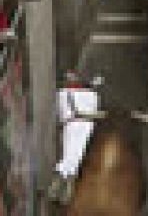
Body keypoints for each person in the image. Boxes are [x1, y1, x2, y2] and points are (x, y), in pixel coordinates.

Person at [47, 70, 101, 204]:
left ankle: (61, 185)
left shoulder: (64, 94)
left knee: (72, 153)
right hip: (80, 125)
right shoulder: (91, 95)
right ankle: (65, 186)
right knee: (75, 154)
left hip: (73, 125)